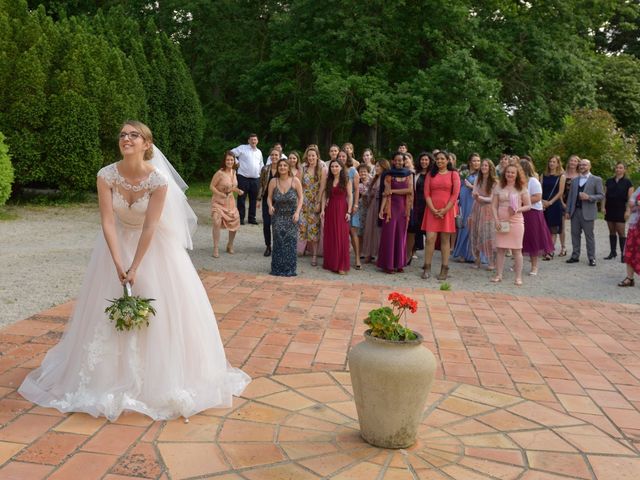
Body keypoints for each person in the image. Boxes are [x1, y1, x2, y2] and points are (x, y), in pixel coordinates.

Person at [18, 121, 250, 421]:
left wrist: (135, 265)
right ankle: (105, 376)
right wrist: (118, 263)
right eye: (122, 135)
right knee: (105, 309)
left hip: (153, 247)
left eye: (133, 135)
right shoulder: (106, 175)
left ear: (146, 144)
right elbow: (107, 222)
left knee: (158, 308)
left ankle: (157, 379)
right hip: (115, 245)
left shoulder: (158, 180)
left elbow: (152, 225)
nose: (126, 139)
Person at [421, 151, 460, 280]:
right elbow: (426, 193)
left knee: (445, 240)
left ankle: (444, 268)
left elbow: (455, 195)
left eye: (442, 159)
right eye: (438, 159)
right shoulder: (430, 175)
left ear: (448, 160)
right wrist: (432, 209)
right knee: (430, 239)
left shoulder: (454, 174)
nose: (440, 161)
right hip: (431, 210)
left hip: (447, 211)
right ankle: (427, 267)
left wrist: (445, 210)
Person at [491, 163, 531, 285]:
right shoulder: (499, 186)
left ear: (517, 174)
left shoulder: (522, 188)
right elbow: (493, 205)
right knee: (500, 249)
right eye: (508, 172)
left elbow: (529, 206)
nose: (510, 174)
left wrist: (517, 210)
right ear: (505, 173)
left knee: (517, 250)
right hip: (501, 221)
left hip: (516, 221)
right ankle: (498, 274)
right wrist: (496, 220)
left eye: (513, 172)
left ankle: (518, 277)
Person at [378, 152, 414, 274]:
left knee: (400, 235)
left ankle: (399, 264)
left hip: (403, 209)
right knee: (389, 236)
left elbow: (409, 190)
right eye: (396, 160)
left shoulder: (409, 174)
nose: (398, 162)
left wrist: (392, 190)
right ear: (392, 161)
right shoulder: (388, 175)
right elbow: (385, 194)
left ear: (404, 161)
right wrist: (381, 210)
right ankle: (388, 265)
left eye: (401, 160)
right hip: (390, 209)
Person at [565, 159, 604, 266]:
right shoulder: (575, 180)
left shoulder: (596, 179)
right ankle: (575, 256)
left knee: (589, 236)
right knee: (575, 235)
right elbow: (570, 197)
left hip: (588, 212)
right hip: (575, 212)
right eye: (581, 164)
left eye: (585, 165)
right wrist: (568, 211)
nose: (582, 166)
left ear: (590, 166)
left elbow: (601, 195)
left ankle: (592, 258)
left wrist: (589, 197)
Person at [267, 159, 303, 276]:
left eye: (284, 165)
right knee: (278, 241)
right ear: (277, 168)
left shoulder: (295, 181)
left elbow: (301, 198)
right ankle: (277, 268)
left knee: (290, 241)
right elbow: (269, 197)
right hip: (277, 215)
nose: (282, 167)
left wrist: (297, 212)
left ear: (288, 168)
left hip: (292, 216)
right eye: (280, 165)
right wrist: (270, 206)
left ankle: (290, 269)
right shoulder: (273, 181)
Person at [520, 159, 554, 275]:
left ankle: (534, 266)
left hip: (533, 212)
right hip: (521, 211)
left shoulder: (533, 181)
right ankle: (518, 264)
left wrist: (522, 201)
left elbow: (538, 197)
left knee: (533, 238)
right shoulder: (518, 182)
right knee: (520, 238)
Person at [321, 159, 352, 274]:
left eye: (336, 166)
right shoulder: (329, 180)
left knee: (341, 236)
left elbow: (350, 196)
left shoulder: (346, 180)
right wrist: (323, 209)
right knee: (331, 235)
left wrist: (349, 211)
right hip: (330, 209)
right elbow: (324, 194)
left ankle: (341, 265)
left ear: (341, 167)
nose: (334, 168)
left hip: (342, 209)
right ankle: (331, 263)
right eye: (332, 166)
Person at [209, 151, 243, 257]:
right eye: (227, 160)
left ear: (234, 161)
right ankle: (215, 248)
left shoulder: (234, 172)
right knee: (216, 221)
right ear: (224, 161)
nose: (229, 161)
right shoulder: (220, 173)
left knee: (235, 222)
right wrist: (220, 194)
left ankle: (230, 244)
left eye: (231, 160)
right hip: (219, 201)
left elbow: (231, 186)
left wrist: (237, 190)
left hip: (230, 202)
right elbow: (211, 186)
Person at [299, 146, 326, 266]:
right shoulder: (303, 168)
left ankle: (314, 255)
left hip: (315, 202)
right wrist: (299, 202)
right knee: (303, 228)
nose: (311, 157)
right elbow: (299, 186)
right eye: (309, 155)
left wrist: (319, 203)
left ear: (317, 156)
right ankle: (305, 250)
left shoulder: (321, 169)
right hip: (304, 202)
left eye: (313, 155)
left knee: (314, 230)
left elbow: (322, 188)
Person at [452, 153, 481, 262]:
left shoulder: (482, 175)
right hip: (463, 202)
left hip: (474, 202)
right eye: (474, 161)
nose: (476, 163)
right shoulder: (464, 173)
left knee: (473, 227)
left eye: (478, 161)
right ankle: (462, 253)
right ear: (470, 162)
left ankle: (473, 255)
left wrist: (471, 186)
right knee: (463, 226)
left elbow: (484, 191)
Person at [469, 159, 497, 270]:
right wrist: (476, 197)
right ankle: (477, 260)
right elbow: (473, 193)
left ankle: (491, 262)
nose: (484, 167)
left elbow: (492, 199)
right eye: (483, 165)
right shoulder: (477, 179)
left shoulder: (495, 181)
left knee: (488, 235)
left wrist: (479, 197)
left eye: (486, 165)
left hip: (488, 209)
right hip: (477, 208)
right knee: (475, 233)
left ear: (490, 168)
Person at [603, 162, 634, 261]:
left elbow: (630, 199)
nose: (618, 169)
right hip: (610, 208)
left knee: (621, 231)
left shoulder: (628, 182)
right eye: (617, 167)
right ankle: (613, 252)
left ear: (624, 170)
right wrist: (603, 207)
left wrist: (628, 211)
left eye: (620, 168)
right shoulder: (609, 181)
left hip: (621, 209)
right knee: (611, 231)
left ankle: (623, 254)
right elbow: (604, 196)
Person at [338, 149, 362, 269]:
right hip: (339, 204)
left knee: (353, 232)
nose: (341, 158)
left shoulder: (352, 171)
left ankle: (357, 258)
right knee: (341, 232)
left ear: (347, 157)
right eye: (339, 156)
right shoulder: (336, 169)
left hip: (351, 204)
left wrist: (356, 204)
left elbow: (357, 189)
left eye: (343, 156)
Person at [362, 160, 389, 263]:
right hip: (372, 205)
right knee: (370, 229)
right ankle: (368, 253)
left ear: (384, 167)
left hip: (381, 205)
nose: (376, 168)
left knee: (379, 231)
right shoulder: (374, 179)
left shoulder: (387, 178)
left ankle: (378, 255)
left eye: (378, 166)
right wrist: (367, 194)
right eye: (376, 166)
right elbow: (369, 192)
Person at [232, 133, 263, 225]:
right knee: (241, 198)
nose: (253, 141)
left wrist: (261, 174)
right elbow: (230, 153)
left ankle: (251, 218)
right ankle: (240, 218)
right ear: (248, 141)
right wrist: (236, 162)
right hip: (243, 177)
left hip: (255, 179)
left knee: (253, 199)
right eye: (252, 139)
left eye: (255, 140)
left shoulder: (259, 152)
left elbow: (261, 164)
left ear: (257, 141)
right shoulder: (242, 148)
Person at [406, 153, 431, 264]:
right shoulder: (415, 174)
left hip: (429, 206)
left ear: (430, 161)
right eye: (422, 159)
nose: (424, 162)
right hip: (416, 206)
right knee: (412, 231)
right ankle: (408, 255)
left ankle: (427, 261)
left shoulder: (433, 174)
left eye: (426, 160)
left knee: (429, 234)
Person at [540, 155, 566, 259]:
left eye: (554, 162)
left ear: (558, 163)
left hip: (554, 204)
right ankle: (546, 248)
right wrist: (542, 201)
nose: (551, 164)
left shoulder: (561, 176)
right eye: (550, 161)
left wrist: (550, 202)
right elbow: (540, 189)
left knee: (553, 228)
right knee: (544, 228)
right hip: (543, 203)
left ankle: (550, 251)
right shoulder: (543, 175)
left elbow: (560, 192)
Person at [258, 149, 280, 256]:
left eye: (276, 155)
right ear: (270, 156)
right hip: (267, 199)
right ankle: (268, 246)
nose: (274, 157)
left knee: (277, 224)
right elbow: (261, 184)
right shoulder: (265, 169)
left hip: (280, 201)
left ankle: (277, 246)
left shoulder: (283, 168)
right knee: (266, 223)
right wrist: (258, 199)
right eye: (272, 155)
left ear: (280, 156)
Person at [618, 186, 640, 287]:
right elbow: (632, 201)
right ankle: (629, 278)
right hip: (636, 224)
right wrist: (636, 204)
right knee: (630, 249)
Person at [560, 154, 580, 257]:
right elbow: (559, 191)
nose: (573, 163)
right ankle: (563, 247)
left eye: (575, 161)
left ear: (578, 163)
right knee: (561, 227)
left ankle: (576, 250)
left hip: (576, 204)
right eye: (571, 161)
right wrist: (562, 203)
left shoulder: (580, 176)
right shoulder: (562, 174)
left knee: (575, 229)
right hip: (563, 202)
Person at [356, 164, 371, 258]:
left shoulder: (372, 182)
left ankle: (369, 252)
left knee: (369, 232)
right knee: (360, 231)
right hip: (360, 209)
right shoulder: (357, 183)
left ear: (368, 172)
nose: (363, 173)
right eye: (361, 172)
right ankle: (360, 251)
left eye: (364, 171)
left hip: (370, 209)